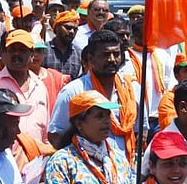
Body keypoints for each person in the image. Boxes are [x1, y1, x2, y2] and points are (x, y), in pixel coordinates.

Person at [50, 30, 139, 159]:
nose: (112, 59)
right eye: (105, 55)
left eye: (116, 54)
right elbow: (55, 135)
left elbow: (139, 132)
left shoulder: (133, 89)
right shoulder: (73, 91)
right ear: (90, 59)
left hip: (124, 169)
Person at [0, 29, 50, 143]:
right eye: (12, 50)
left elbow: (45, 132)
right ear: (3, 53)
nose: (17, 54)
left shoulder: (40, 86)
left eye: (22, 50)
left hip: (36, 157)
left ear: (32, 54)